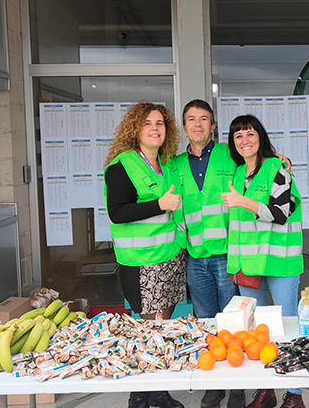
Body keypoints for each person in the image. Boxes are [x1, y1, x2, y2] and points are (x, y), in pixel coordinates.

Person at [104, 102, 187, 408]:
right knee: (148, 329)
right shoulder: (122, 166)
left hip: (169, 257)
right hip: (142, 262)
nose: (155, 128)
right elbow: (117, 213)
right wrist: (159, 204)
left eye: (160, 123)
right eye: (147, 124)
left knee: (162, 327)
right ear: (135, 130)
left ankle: (152, 390)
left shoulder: (164, 165)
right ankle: (143, 394)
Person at [221, 114, 305, 408]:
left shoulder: (277, 168)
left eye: (250, 134)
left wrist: (243, 201)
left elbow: (281, 213)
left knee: (285, 329)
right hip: (249, 266)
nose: (245, 140)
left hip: (280, 263)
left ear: (261, 137)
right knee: (255, 332)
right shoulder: (235, 174)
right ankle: (265, 388)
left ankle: (294, 395)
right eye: (238, 136)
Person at [171, 99, 243, 408]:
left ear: (213, 126)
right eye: (191, 119)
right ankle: (213, 385)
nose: (197, 124)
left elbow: (261, 164)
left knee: (232, 323)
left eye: (204, 119)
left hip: (227, 255)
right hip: (195, 258)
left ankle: (238, 385)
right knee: (205, 324)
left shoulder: (232, 155)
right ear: (184, 126)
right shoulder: (173, 165)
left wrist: (281, 158)